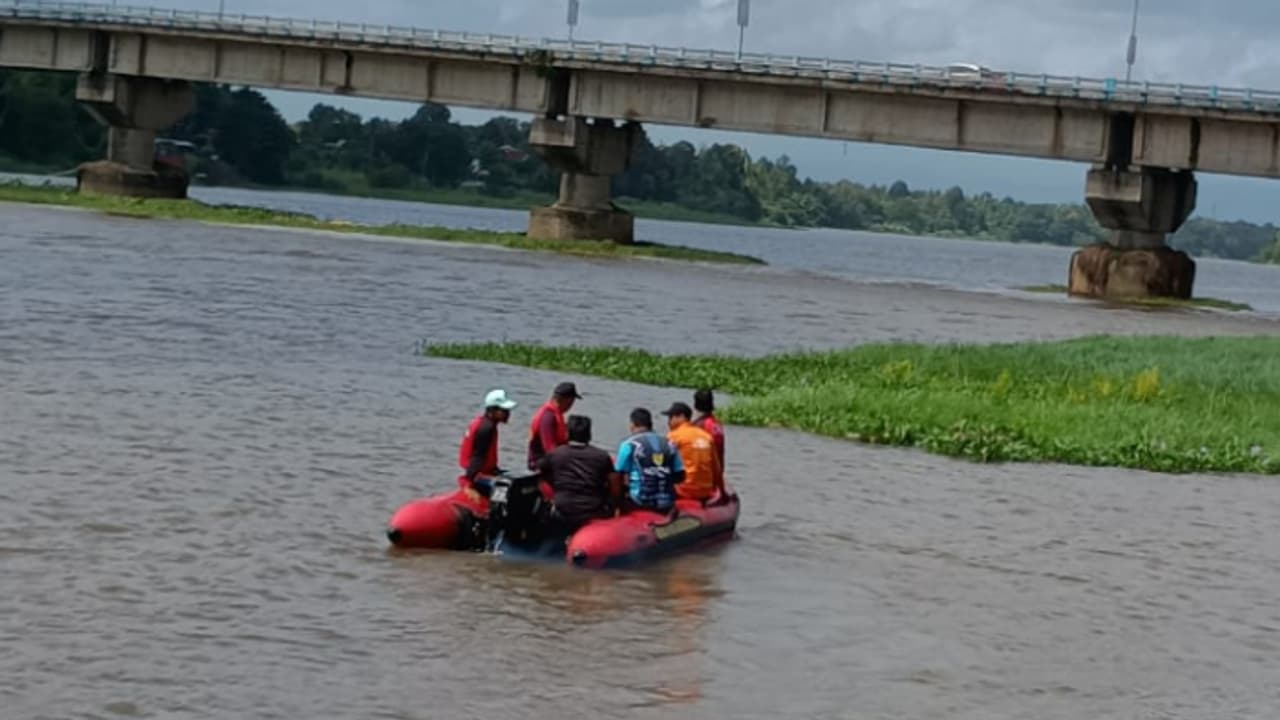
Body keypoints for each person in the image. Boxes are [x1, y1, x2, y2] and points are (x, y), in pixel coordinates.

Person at [537, 415, 618, 534]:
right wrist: (614, 505)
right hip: (593, 511)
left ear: (567, 434)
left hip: (562, 510)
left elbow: (539, 473)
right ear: (589, 435)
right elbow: (614, 484)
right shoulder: (602, 456)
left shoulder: (555, 455)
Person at [615, 407, 684, 513]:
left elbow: (617, 476)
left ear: (632, 425)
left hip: (639, 502)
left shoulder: (629, 444)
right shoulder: (670, 443)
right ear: (651, 424)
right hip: (666, 502)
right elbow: (680, 476)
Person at [457, 388, 517, 499]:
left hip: (484, 472)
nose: (508, 413)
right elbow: (477, 457)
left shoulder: (486, 424)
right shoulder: (486, 428)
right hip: (477, 476)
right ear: (492, 411)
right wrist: (469, 484)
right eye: (504, 410)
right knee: (513, 489)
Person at [663, 401, 724, 503]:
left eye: (670, 417)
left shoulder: (674, 436)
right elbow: (717, 470)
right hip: (705, 490)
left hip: (683, 490)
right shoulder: (706, 436)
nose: (668, 422)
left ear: (681, 417)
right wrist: (722, 493)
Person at [527, 381, 583, 471]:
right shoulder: (548, 417)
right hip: (539, 464)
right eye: (571, 401)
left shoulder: (556, 414)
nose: (571, 405)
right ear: (565, 400)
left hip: (552, 460)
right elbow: (550, 449)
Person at [691, 388, 726, 468]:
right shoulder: (717, 424)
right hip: (718, 470)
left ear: (695, 404)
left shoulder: (699, 425)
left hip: (704, 472)